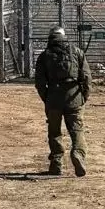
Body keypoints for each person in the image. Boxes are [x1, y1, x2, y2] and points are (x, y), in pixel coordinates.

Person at [34, 26, 92, 177]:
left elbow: (40, 82)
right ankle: (78, 154)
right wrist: (83, 97)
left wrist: (47, 98)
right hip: (74, 97)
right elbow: (86, 77)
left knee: (54, 132)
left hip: (53, 97)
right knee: (77, 129)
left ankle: (56, 164)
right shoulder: (77, 52)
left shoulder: (44, 56)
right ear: (64, 36)